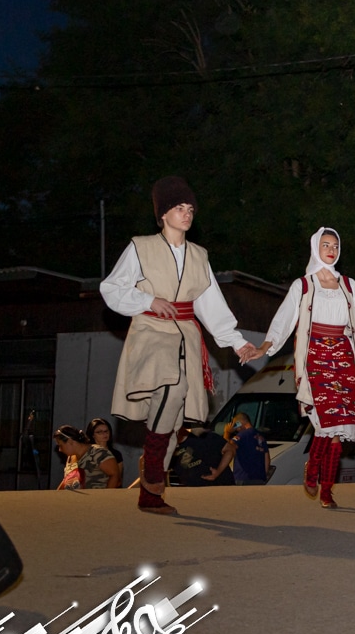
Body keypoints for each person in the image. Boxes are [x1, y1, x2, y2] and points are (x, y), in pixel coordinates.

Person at [100, 176, 256, 514]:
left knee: (171, 422)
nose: (186, 214)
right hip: (152, 333)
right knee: (174, 388)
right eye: (178, 208)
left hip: (186, 334)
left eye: (189, 209)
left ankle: (151, 488)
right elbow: (111, 288)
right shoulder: (141, 247)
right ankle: (153, 481)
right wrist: (148, 300)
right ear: (162, 215)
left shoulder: (199, 256)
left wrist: (237, 343)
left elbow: (210, 303)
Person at [257, 227, 355, 509]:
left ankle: (327, 489)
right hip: (315, 357)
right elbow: (284, 319)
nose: (331, 249)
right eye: (325, 244)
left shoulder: (349, 285)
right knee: (324, 421)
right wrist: (265, 347)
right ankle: (313, 466)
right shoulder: (304, 285)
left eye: (335, 245)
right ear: (315, 248)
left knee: (339, 428)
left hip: (344, 357)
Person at [54, 425, 120, 489]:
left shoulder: (98, 453)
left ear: (70, 442)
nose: (60, 450)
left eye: (61, 445)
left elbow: (115, 475)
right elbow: (66, 481)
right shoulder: (71, 458)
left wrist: (106, 497)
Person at [170, 426, 235, 486]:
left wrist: (218, 472)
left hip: (221, 486)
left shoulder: (203, 436)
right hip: (194, 492)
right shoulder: (168, 448)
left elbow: (230, 450)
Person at [229, 412, 271, 485]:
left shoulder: (241, 435)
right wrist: (263, 475)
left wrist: (227, 432)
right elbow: (267, 458)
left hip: (242, 478)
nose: (236, 428)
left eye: (236, 424)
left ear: (240, 422)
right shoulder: (261, 436)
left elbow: (229, 448)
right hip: (259, 479)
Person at [85, 418, 124, 487]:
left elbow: (118, 478)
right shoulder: (86, 453)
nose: (104, 434)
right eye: (99, 432)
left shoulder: (116, 454)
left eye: (106, 431)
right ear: (92, 435)